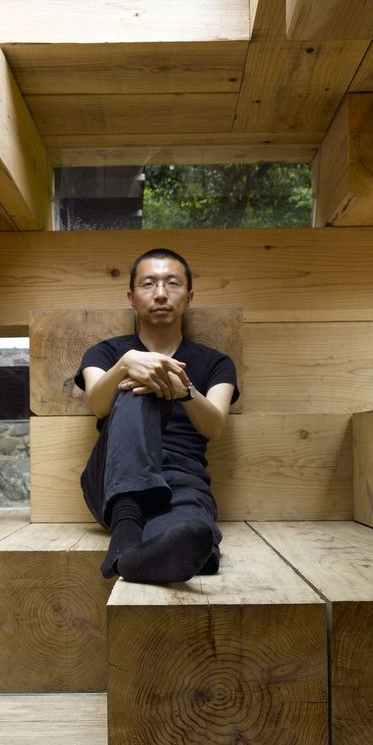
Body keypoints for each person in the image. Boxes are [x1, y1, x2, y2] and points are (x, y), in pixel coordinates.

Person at [75, 247, 239, 583]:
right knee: (142, 382)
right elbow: (97, 404)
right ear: (131, 297)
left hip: (181, 481)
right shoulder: (105, 353)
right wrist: (126, 365)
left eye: (172, 284)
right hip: (111, 481)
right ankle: (125, 526)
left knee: (194, 533)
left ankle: (133, 559)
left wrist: (185, 390)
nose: (161, 294)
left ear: (189, 296)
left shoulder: (216, 363)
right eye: (149, 284)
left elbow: (215, 427)